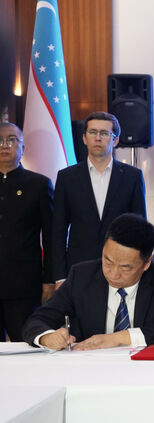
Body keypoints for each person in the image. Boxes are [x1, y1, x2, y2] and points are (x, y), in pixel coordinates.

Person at [22, 213, 154, 350]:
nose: (113, 274)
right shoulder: (81, 276)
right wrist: (47, 337)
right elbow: (37, 320)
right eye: (107, 261)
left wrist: (119, 338)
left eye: (125, 267)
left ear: (147, 263)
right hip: (92, 369)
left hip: (146, 371)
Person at [51, 111, 146, 285]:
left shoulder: (132, 176)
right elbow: (58, 230)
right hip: (78, 268)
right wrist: (59, 276)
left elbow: (139, 228)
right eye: (92, 132)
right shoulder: (67, 177)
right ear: (84, 138)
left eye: (104, 133)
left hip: (121, 268)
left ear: (115, 140)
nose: (98, 138)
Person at [0, 123, 53, 341]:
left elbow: (51, 237)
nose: (5, 145)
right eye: (0, 140)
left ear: (23, 147)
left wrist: (49, 280)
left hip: (24, 285)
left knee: (26, 345)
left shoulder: (39, 185)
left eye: (12, 140)